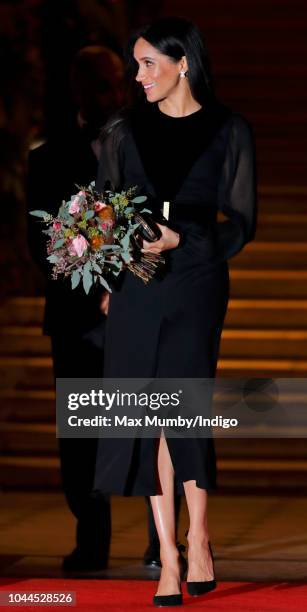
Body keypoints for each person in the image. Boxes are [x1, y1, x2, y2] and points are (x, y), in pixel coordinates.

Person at [94, 16, 257, 605]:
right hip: (138, 290)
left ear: (182, 62)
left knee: (183, 411)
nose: (138, 77)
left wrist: (182, 241)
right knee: (144, 416)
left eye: (147, 64)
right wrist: (107, 271)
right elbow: (104, 214)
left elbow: (241, 222)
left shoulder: (228, 129)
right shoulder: (122, 131)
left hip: (195, 283)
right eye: (135, 65)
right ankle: (167, 555)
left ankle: (201, 541)